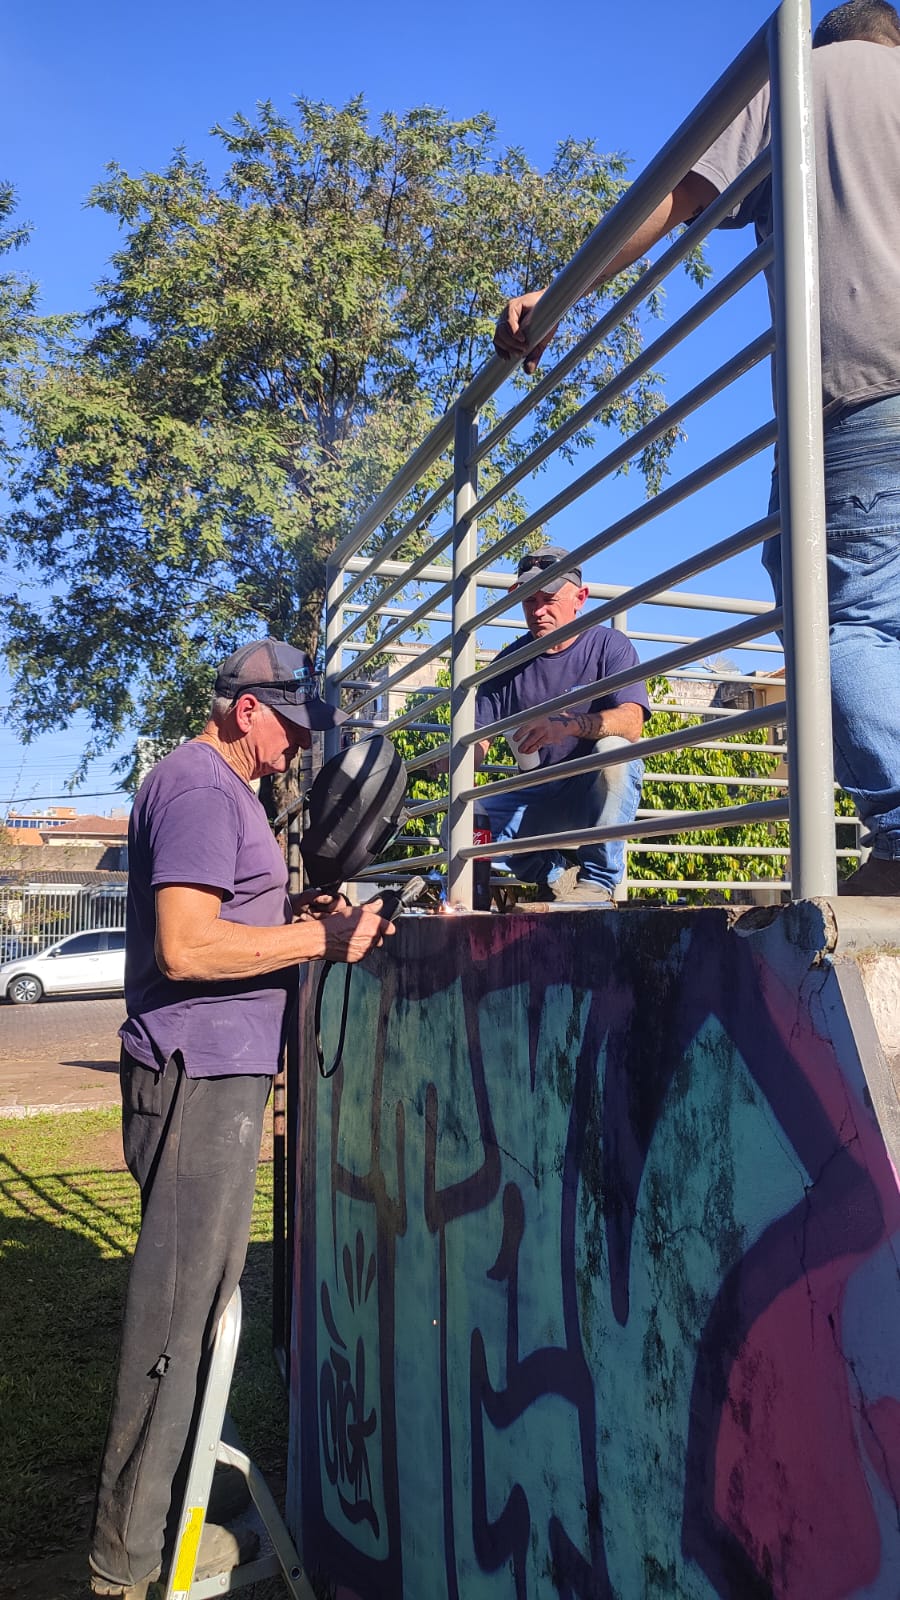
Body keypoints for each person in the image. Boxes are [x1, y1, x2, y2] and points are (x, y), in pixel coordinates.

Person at [494, 0, 900, 897]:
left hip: (866, 399)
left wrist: (555, 296)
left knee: (833, 620)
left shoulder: (804, 71)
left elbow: (683, 194)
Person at [89, 639, 394, 1599]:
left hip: (215, 1073)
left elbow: (227, 915)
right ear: (244, 708)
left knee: (204, 1308)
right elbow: (184, 946)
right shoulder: (198, 788)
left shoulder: (226, 792)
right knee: (175, 1320)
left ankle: (167, 1520)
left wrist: (288, 909)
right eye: (290, 728)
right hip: (197, 1077)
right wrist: (323, 936)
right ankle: (126, 1562)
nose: (297, 749)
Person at [472, 546, 648, 904]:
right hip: (538, 795)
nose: (538, 610)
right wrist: (445, 763)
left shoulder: (609, 644)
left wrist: (567, 725)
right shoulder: (507, 662)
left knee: (616, 750)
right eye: (528, 601)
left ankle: (598, 882)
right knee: (461, 823)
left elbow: (633, 723)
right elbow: (478, 741)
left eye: (549, 598)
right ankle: (557, 876)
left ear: (580, 598)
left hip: (592, 791)